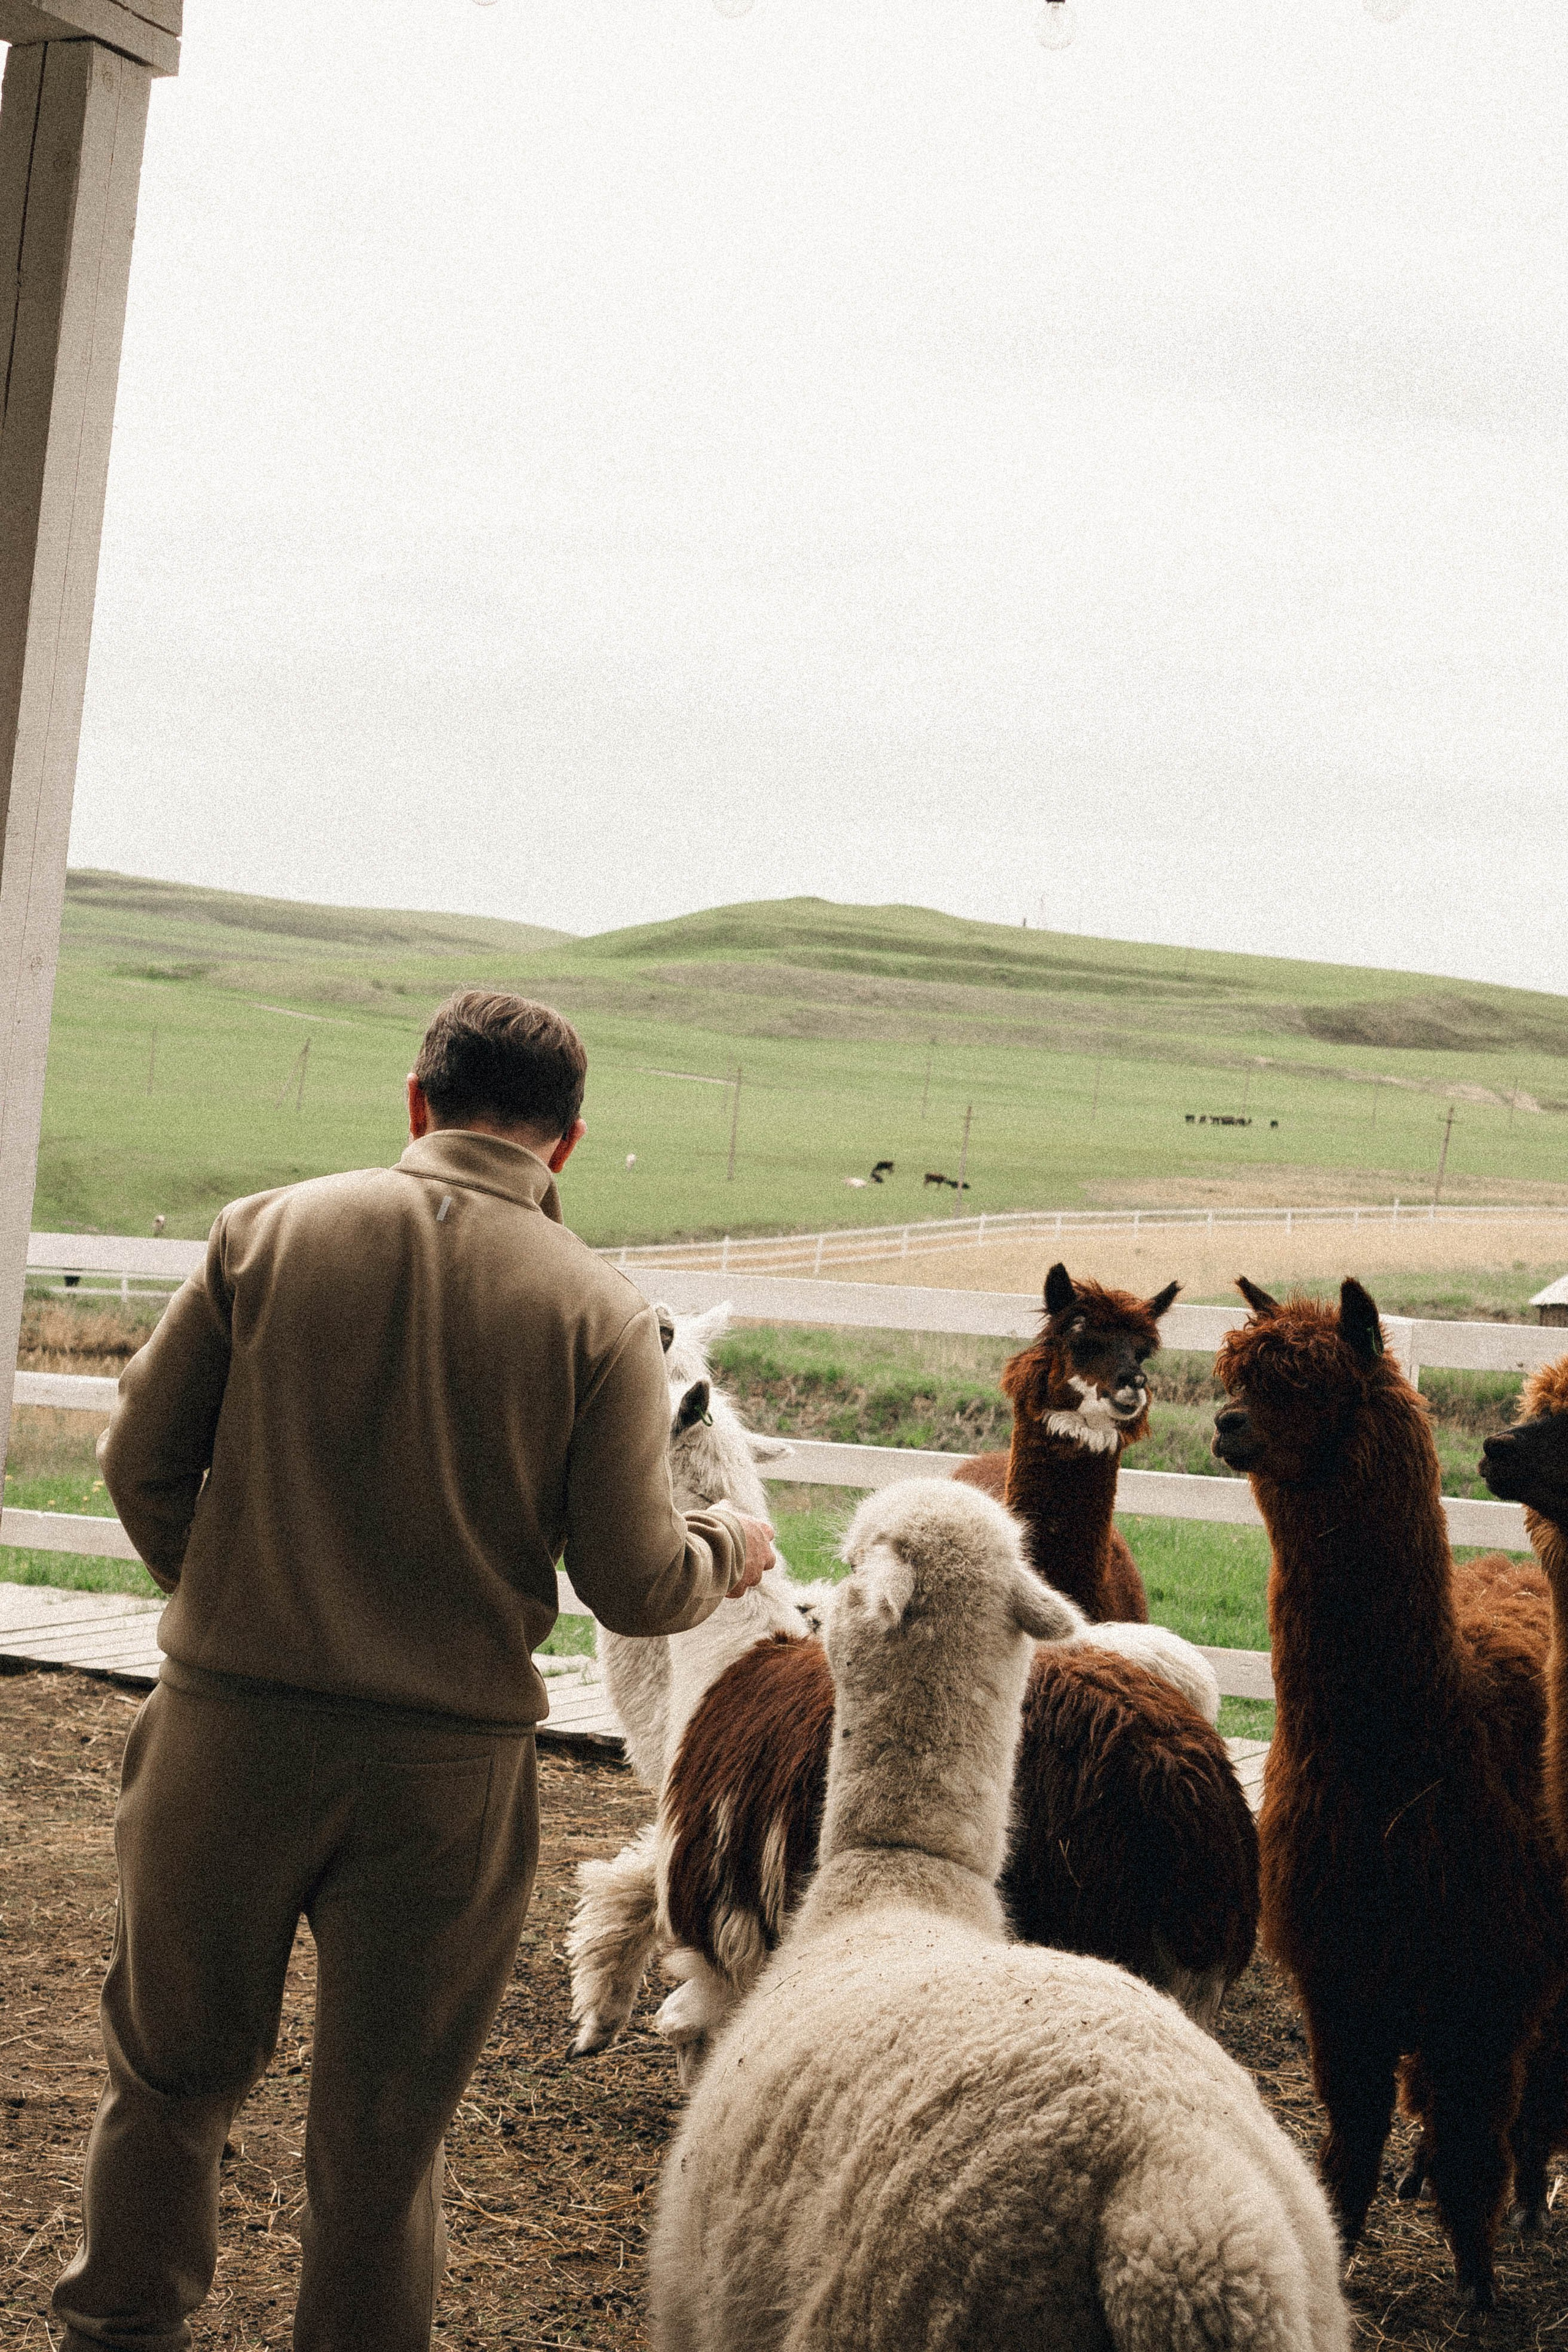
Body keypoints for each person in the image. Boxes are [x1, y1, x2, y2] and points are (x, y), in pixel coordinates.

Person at [52, 989, 774, 2352]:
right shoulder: (601, 1312)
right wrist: (727, 1546)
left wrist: (230, 1606)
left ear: (415, 1098)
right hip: (445, 1782)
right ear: (566, 1142)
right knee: (384, 2149)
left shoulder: (261, 1234)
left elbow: (139, 1464)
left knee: (164, 2088)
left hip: (225, 1736)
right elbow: (634, 1585)